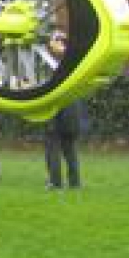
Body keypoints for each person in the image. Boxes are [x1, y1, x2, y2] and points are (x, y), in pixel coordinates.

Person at [45, 29, 86, 189]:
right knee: (70, 149)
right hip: (73, 109)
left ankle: (55, 183)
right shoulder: (75, 62)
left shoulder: (52, 64)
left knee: (52, 147)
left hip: (57, 109)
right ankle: (75, 183)